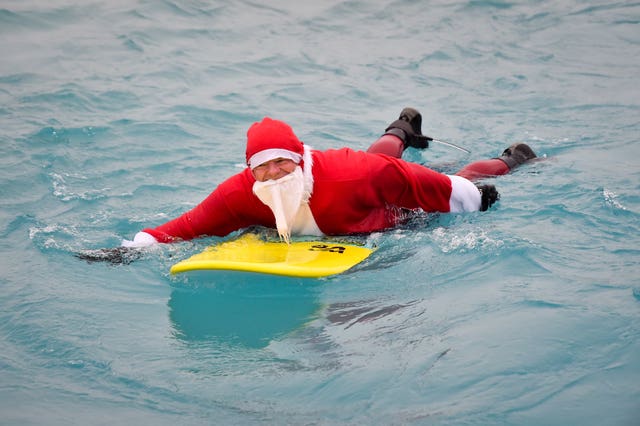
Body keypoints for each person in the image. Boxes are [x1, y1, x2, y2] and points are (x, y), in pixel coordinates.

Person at [121, 108, 536, 248]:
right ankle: (402, 127)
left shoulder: (351, 176)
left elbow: (419, 185)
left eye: (281, 162)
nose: (272, 173)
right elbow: (190, 225)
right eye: (261, 166)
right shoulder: (242, 195)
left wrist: (474, 199)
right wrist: (136, 248)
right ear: (250, 171)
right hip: (361, 186)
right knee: (378, 163)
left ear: (298, 159)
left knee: (443, 176)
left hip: (396, 214)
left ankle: (511, 158)